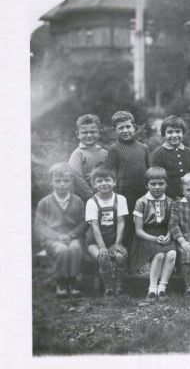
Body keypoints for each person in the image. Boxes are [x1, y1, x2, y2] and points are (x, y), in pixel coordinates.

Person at [34, 163, 87, 297]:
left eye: (66, 181)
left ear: (71, 181)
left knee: (75, 248)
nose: (62, 184)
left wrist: (71, 235)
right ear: (51, 181)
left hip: (73, 237)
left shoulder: (78, 201)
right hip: (53, 240)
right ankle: (61, 282)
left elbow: (84, 222)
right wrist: (57, 236)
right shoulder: (45, 202)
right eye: (58, 181)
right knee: (62, 250)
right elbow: (39, 225)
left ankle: (73, 281)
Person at [128, 167, 177, 302]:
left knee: (172, 253)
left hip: (164, 234)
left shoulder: (170, 202)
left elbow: (171, 224)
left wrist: (169, 235)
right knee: (159, 254)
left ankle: (162, 288)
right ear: (146, 185)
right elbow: (138, 231)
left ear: (166, 185)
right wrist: (155, 239)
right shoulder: (141, 202)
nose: (157, 187)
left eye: (161, 184)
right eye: (153, 184)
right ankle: (152, 289)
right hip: (146, 236)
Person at [106, 111, 150, 248]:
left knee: (141, 223)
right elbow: (111, 174)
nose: (125, 131)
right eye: (121, 128)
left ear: (134, 127)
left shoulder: (144, 148)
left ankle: (141, 253)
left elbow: (149, 171)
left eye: (128, 127)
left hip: (142, 193)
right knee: (126, 225)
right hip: (123, 194)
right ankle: (125, 253)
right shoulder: (114, 149)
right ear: (115, 130)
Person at [84, 165, 129, 297]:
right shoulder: (91, 202)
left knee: (121, 257)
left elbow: (121, 221)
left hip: (113, 240)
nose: (104, 183)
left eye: (107, 180)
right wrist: (102, 247)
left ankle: (119, 287)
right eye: (99, 181)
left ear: (114, 182)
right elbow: (95, 226)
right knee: (103, 258)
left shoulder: (120, 199)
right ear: (94, 184)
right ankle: (108, 288)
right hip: (95, 242)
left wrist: (118, 243)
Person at [151, 116, 190, 200]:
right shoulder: (158, 153)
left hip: (189, 197)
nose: (174, 135)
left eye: (178, 131)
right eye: (170, 132)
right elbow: (157, 179)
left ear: (183, 133)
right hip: (166, 198)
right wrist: (174, 197)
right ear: (164, 134)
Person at [68, 114, 108, 202]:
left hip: (105, 197)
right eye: (84, 132)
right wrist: (91, 197)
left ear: (99, 133)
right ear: (78, 134)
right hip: (85, 199)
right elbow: (77, 179)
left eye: (93, 132)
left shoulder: (104, 154)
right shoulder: (78, 154)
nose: (89, 135)